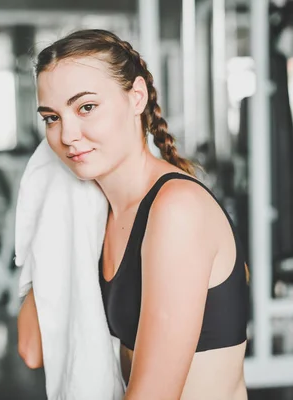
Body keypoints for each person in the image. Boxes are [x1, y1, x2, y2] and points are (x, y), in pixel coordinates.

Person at [17, 29, 250, 400]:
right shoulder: (95, 213)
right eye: (52, 118)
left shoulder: (176, 209)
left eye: (86, 107)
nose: (67, 135)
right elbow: (33, 348)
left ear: (136, 96)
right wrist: (57, 211)